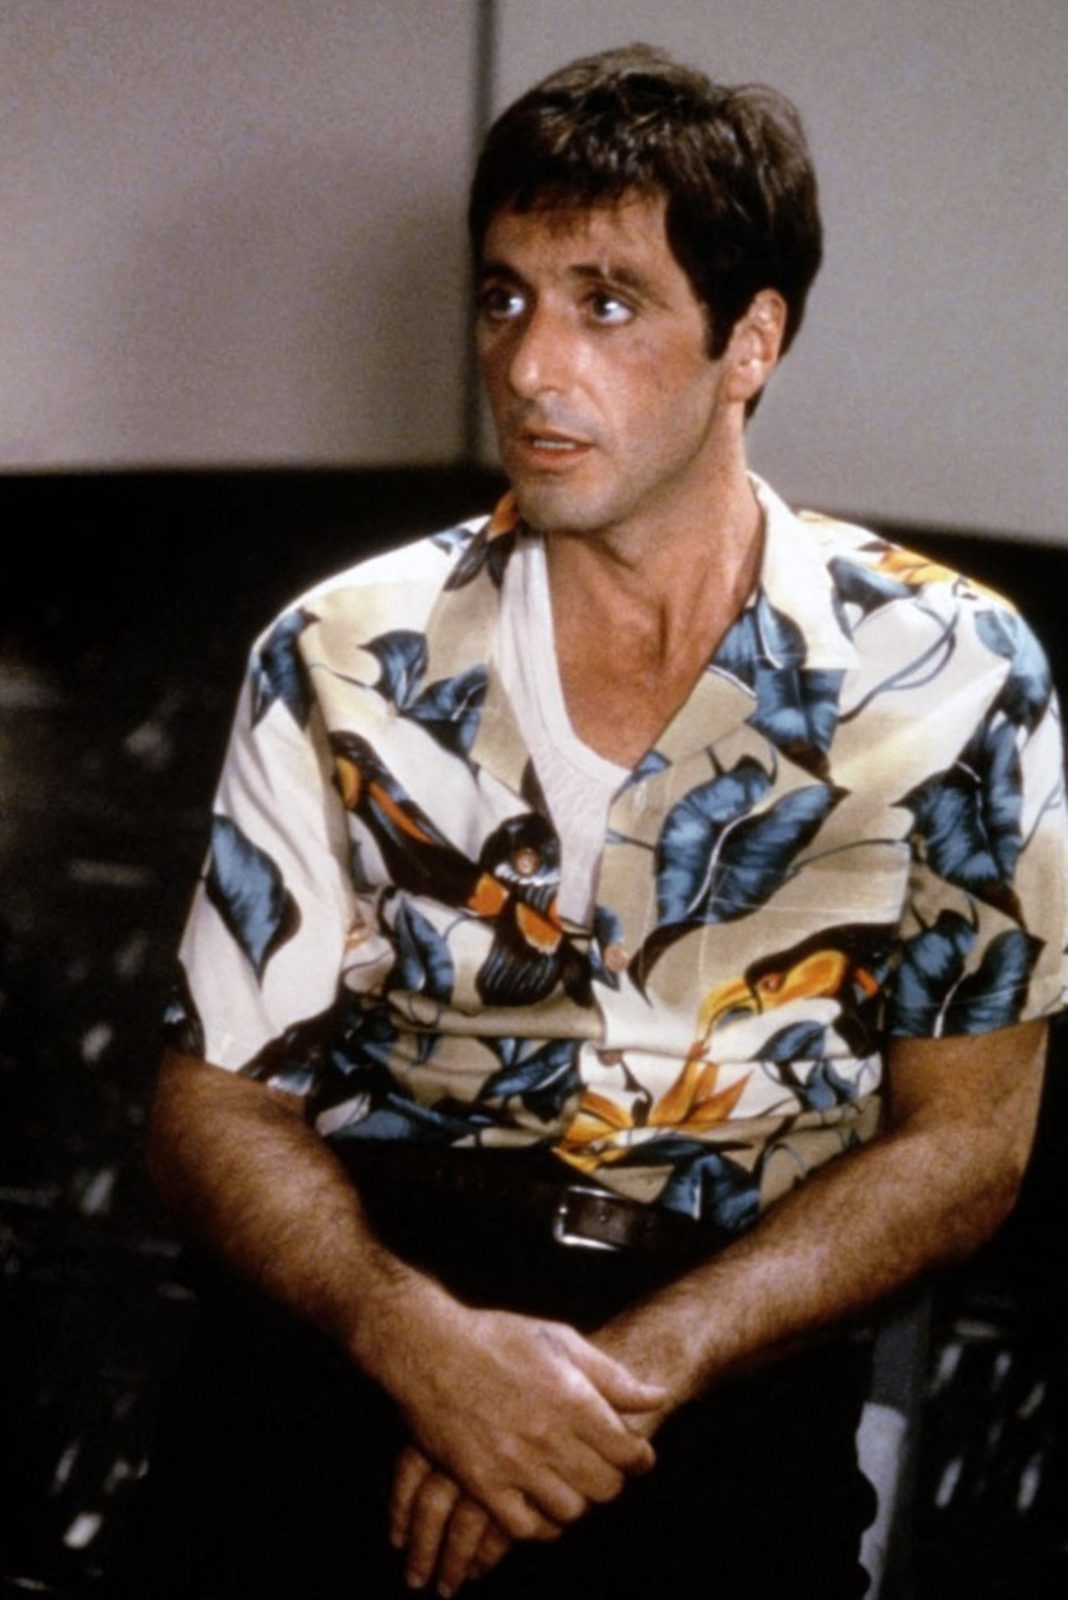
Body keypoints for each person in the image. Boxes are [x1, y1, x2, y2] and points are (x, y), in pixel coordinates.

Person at [133, 43, 1065, 1600]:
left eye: (607, 303)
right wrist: (421, 1345)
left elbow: (970, 1143)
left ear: (750, 340)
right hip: (364, 1311)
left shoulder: (953, 668)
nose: (528, 363)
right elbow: (211, 1104)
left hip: (719, 1351)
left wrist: (614, 1385)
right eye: (504, 299)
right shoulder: (342, 649)